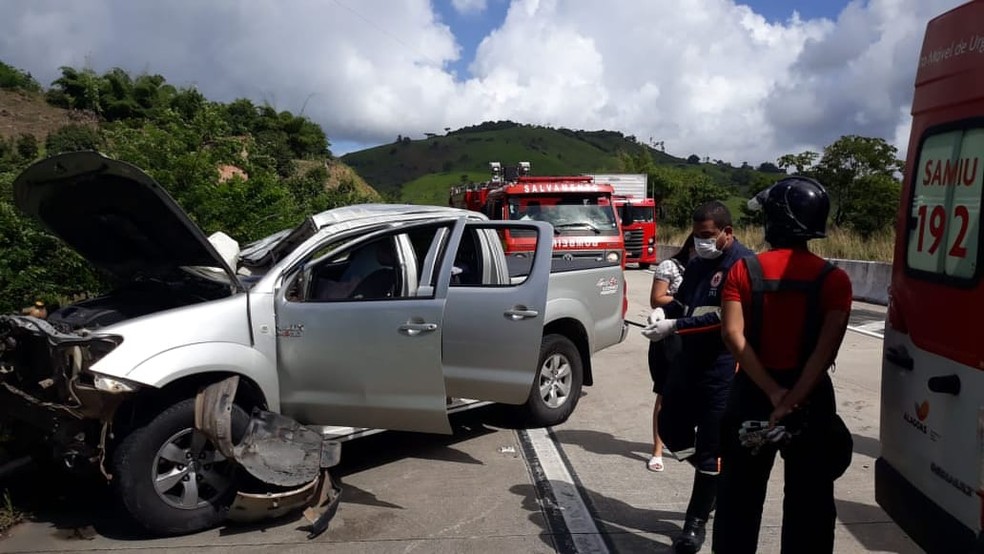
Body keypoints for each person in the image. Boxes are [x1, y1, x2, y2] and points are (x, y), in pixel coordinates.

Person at [711, 177, 853, 554]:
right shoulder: (834, 280)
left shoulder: (742, 271)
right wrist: (792, 400)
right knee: (811, 506)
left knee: (738, 500)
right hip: (811, 402)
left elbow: (732, 335)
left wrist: (773, 392)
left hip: (753, 396)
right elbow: (826, 351)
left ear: (775, 221)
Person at [642, 201, 752, 554]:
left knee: (710, 449)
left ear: (727, 233)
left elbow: (725, 319)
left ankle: (695, 523)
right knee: (672, 429)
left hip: (721, 369)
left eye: (708, 235)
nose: (702, 242)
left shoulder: (740, 264)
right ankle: (713, 480)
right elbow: (685, 302)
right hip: (687, 360)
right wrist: (663, 312)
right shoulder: (699, 263)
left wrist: (674, 325)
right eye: (697, 235)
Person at [644, 233, 696, 473]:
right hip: (669, 337)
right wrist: (685, 302)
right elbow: (656, 299)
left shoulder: (709, 268)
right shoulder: (671, 266)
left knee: (690, 398)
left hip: (696, 336)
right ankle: (657, 450)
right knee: (665, 394)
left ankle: (683, 447)